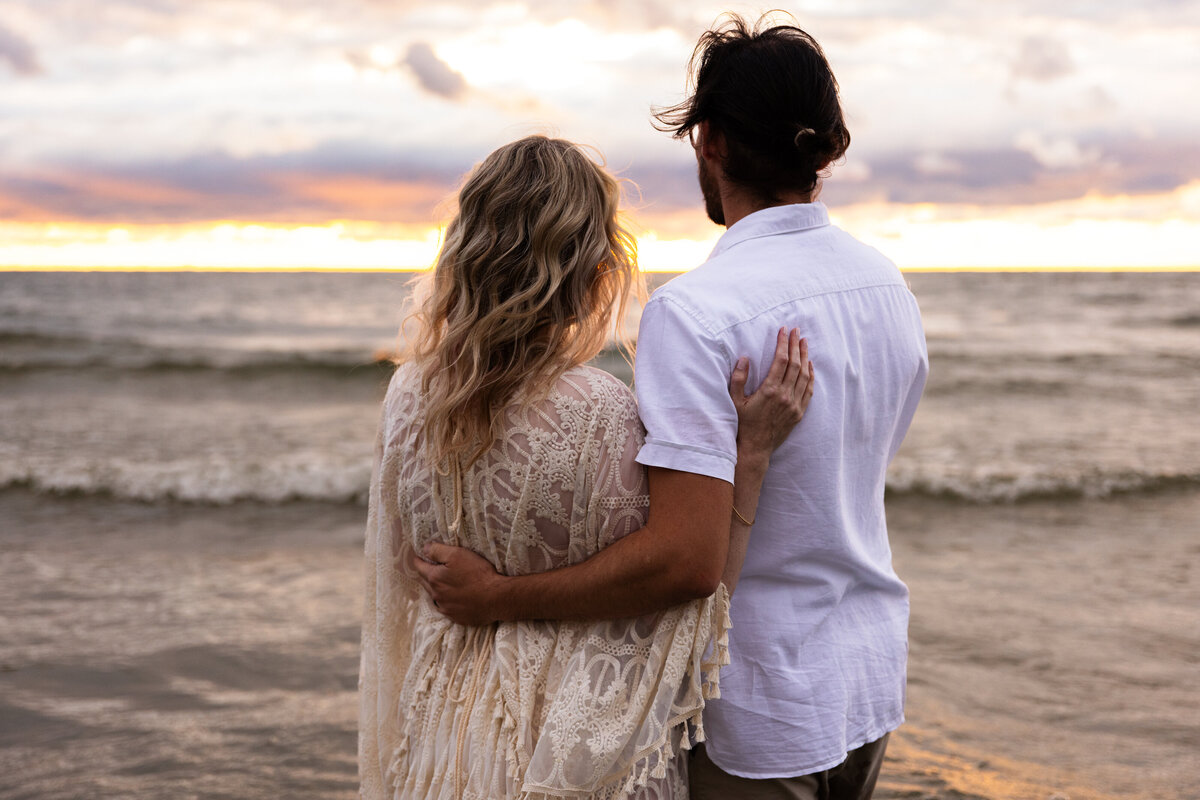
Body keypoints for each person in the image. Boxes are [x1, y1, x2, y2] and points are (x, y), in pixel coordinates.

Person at [413, 15, 929, 800]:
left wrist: (496, 598)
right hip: (866, 684)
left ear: (710, 144)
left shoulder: (695, 314)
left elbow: (685, 560)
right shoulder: (887, 289)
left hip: (757, 709)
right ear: (823, 149)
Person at [359, 134, 815, 799]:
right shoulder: (601, 412)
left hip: (441, 742)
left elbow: (407, 573)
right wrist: (749, 458)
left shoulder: (408, 396)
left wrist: (489, 594)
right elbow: (684, 606)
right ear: (593, 268)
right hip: (562, 756)